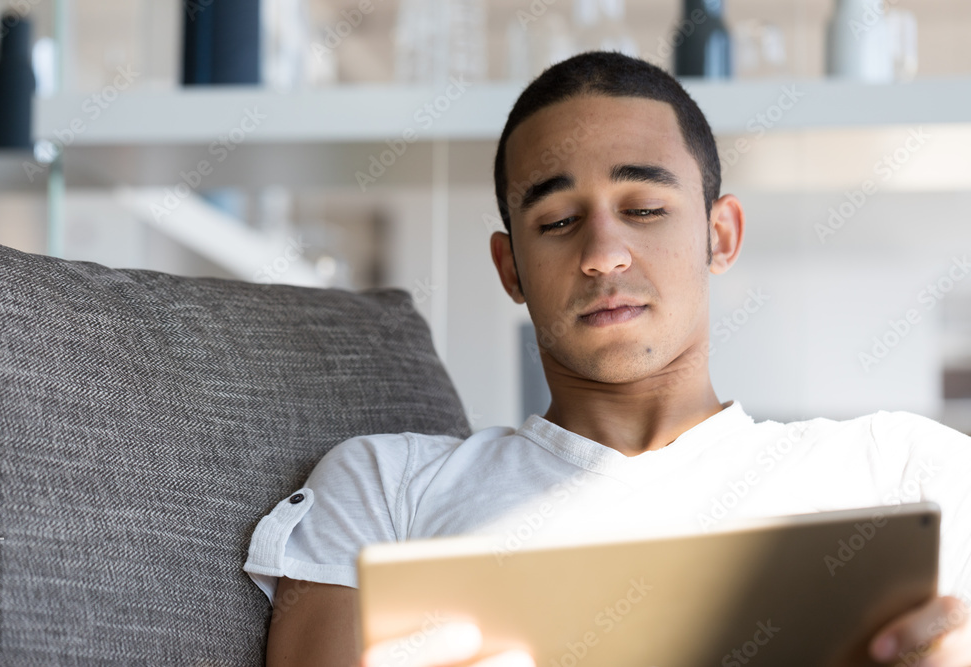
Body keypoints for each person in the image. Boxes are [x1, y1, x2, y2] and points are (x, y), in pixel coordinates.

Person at [243, 50, 971, 667]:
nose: (602, 254)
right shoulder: (382, 489)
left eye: (645, 209)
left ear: (720, 235)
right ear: (511, 268)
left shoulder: (904, 471)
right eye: (558, 222)